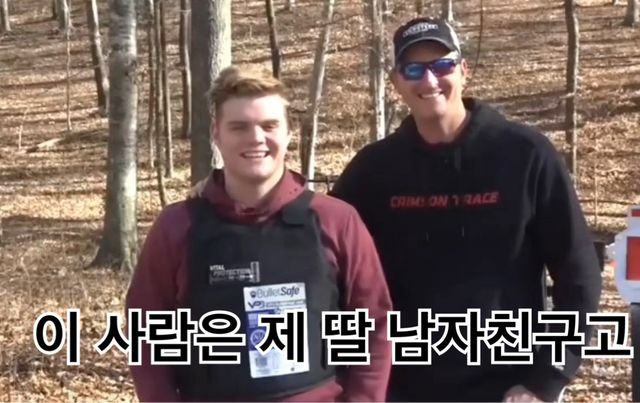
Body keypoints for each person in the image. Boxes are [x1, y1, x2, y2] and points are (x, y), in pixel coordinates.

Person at [328, 17, 603, 403]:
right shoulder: (372, 170)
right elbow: (325, 268)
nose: (429, 80)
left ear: (463, 70)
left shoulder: (525, 155)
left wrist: (547, 380)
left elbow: (579, 275)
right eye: (413, 69)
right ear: (395, 83)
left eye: (442, 65)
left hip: (508, 387)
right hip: (401, 388)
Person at [125, 66, 393, 402]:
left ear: (288, 133)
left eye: (269, 126)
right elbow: (146, 332)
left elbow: (375, 325)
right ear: (216, 134)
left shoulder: (336, 220)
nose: (255, 138)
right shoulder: (177, 226)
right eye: (239, 127)